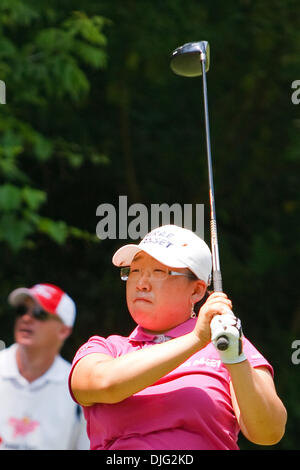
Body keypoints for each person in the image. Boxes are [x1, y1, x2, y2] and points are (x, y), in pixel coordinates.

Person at [69, 225, 287, 450]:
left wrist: (235, 358)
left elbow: (268, 432)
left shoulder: (228, 343)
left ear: (197, 291)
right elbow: (106, 384)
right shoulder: (106, 348)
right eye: (134, 271)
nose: (141, 283)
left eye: (158, 272)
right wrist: (195, 340)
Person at [0, 283, 89, 450]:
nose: (26, 318)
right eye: (21, 311)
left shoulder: (78, 388)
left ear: (63, 331)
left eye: (39, 314)